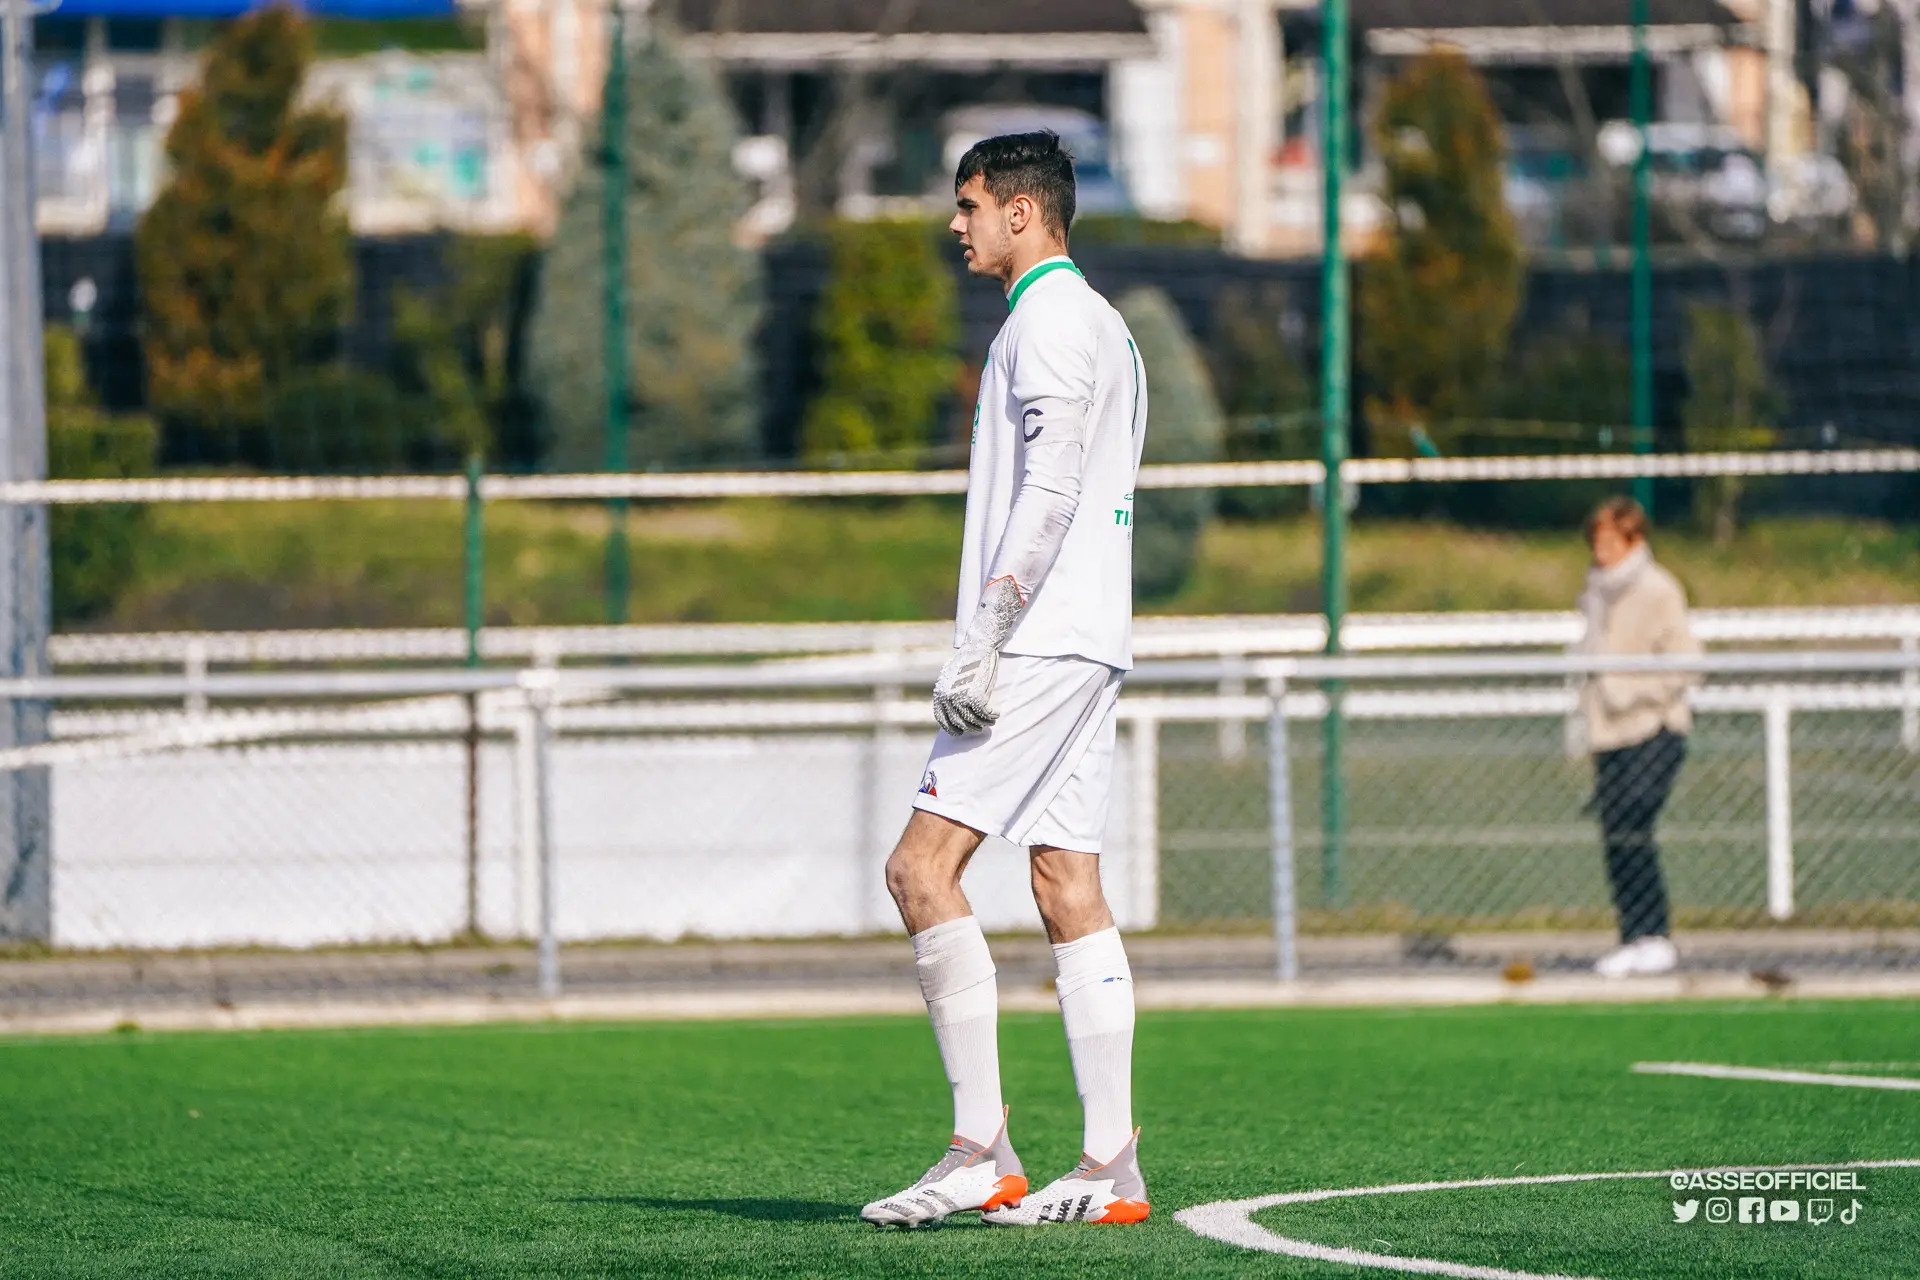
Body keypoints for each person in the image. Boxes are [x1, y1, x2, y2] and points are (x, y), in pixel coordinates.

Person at [858, 132, 1150, 1230]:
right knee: (1066, 883)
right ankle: (1111, 1161)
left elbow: (1055, 488)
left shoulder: (1052, 322)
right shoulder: (1105, 327)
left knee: (920, 868)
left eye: (970, 203)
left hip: (1038, 642)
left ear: (1022, 212)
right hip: (1085, 637)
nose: (957, 224)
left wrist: (986, 629)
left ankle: (981, 1147)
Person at [1577, 496, 1700, 979]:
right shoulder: (1594, 590)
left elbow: (1685, 662)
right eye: (1596, 540)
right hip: (1610, 732)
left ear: (1634, 540)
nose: (1601, 550)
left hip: (1654, 727)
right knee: (1616, 831)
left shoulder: (1658, 589)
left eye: (1610, 540)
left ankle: (1654, 933)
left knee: (1633, 819)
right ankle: (1634, 934)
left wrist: (1630, 691)